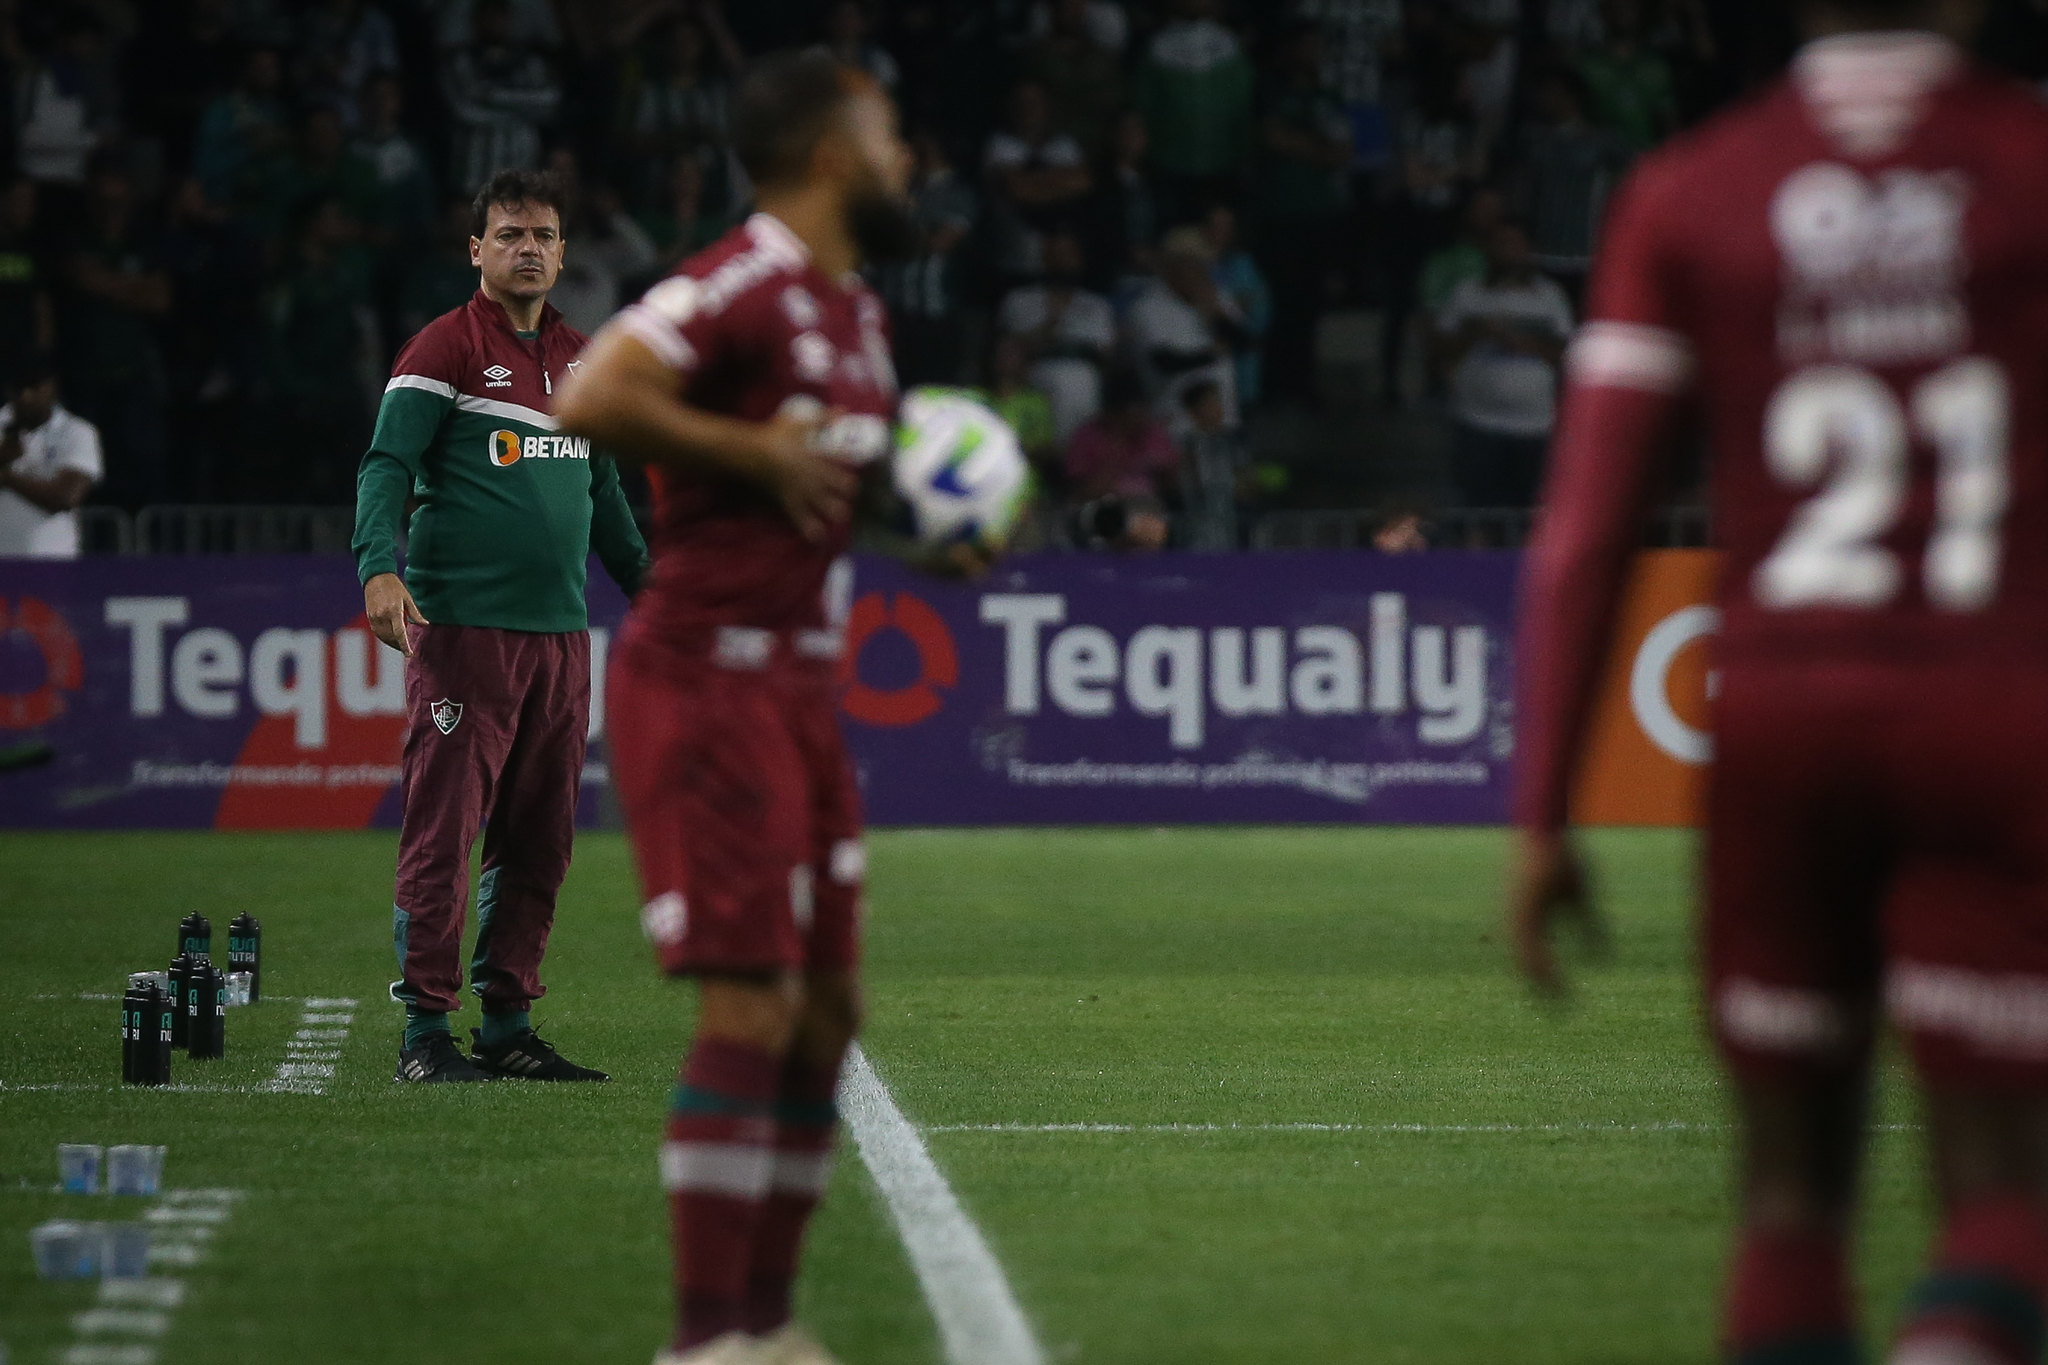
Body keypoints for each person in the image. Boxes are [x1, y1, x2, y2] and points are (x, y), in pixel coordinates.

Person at [1509, 4, 2048, 1363]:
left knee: (1789, 1202)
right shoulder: (2033, 168)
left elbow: (1584, 530)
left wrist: (1539, 816)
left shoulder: (1689, 192)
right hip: (1995, 714)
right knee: (2005, 1190)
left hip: (1779, 730)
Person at [552, 50, 918, 1365]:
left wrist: (941, 525)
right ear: (832, 155)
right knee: (752, 1006)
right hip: (706, 677)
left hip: (801, 692)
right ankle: (707, 1340)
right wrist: (749, 448)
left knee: (826, 1012)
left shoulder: (857, 311)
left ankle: (766, 1325)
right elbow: (592, 392)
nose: (908, 162)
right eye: (889, 138)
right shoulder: (743, 281)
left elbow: (828, 481)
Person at [350, 168, 650, 1085]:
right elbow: (385, 466)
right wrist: (378, 568)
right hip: (465, 634)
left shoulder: (587, 361)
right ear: (476, 249)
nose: (529, 248)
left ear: (564, 252)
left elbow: (605, 499)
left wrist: (664, 599)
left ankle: (509, 1024)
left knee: (540, 838)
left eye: (545, 236)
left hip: (561, 638)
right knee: (444, 834)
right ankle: (426, 1035)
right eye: (511, 233)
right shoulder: (440, 348)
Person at [1433, 219, 1572, 508]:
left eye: (1516, 245)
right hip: (1477, 422)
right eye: (1502, 244)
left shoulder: (1550, 296)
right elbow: (1439, 347)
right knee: (1477, 510)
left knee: (1533, 512)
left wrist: (1525, 344)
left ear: (1529, 250)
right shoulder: (1467, 292)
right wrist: (1479, 332)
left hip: (1536, 426)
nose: (1509, 251)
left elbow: (1570, 354)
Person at [997, 227, 1115, 444]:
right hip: (1037, 380)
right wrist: (1052, 321)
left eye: (1069, 255)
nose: (1062, 262)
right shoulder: (1020, 300)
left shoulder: (1096, 304)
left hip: (1084, 383)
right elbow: (1012, 350)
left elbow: (1106, 353)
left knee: (1081, 446)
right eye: (1055, 255)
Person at [0, 359, 101, 558]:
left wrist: (8, 478)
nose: (26, 396)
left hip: (52, 561)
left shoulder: (77, 432)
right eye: (19, 388)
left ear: (51, 387)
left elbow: (65, 498)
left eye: (34, 387)